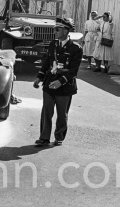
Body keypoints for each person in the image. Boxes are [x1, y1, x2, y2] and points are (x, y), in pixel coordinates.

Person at [33, 17, 83, 146]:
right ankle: (44, 137)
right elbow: (47, 62)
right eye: (55, 29)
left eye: (58, 29)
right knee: (46, 112)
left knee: (62, 114)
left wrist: (60, 82)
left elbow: (73, 71)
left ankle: (59, 137)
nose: (55, 31)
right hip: (49, 83)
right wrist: (39, 77)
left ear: (66, 31)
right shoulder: (53, 44)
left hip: (65, 87)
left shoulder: (76, 48)